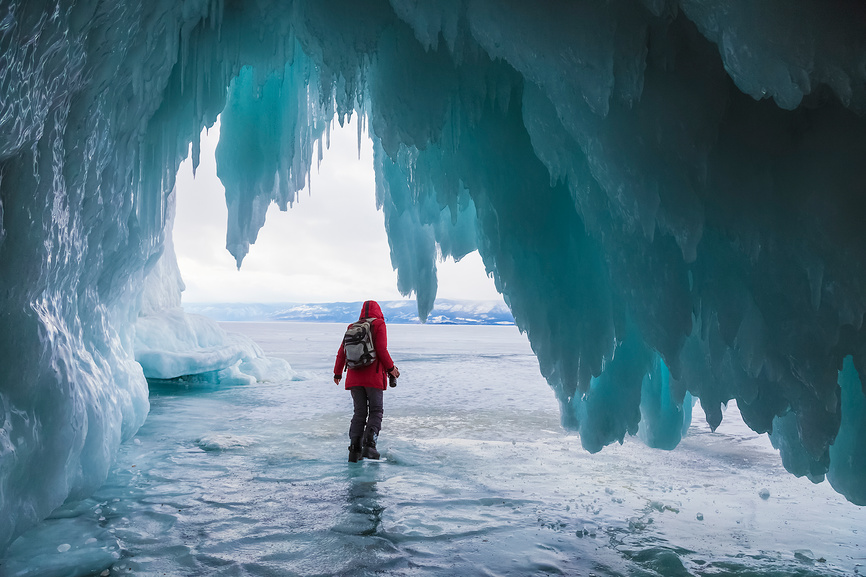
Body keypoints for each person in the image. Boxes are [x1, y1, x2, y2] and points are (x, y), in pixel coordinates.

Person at [334, 300, 400, 462]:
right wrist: (391, 368)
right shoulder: (378, 324)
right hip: (373, 377)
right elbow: (381, 350)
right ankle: (370, 446)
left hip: (354, 377)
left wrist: (337, 373)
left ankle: (354, 450)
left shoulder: (352, 327)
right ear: (379, 311)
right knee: (376, 411)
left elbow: (342, 352)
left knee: (359, 413)